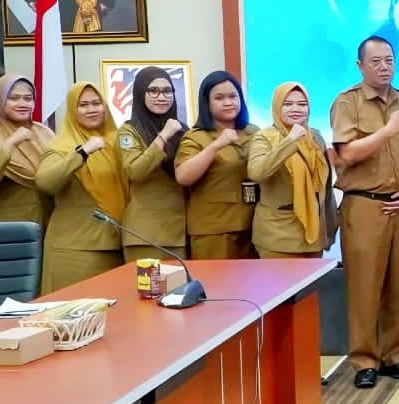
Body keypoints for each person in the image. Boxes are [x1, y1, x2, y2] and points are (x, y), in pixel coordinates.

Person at [332, 36, 399, 389]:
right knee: (364, 285)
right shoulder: (347, 102)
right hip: (364, 203)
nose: (384, 67)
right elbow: (349, 153)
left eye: (389, 61)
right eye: (376, 62)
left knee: (398, 284)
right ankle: (364, 360)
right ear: (360, 66)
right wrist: (389, 130)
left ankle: (393, 356)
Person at [35, 82, 127, 291]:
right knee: (75, 316)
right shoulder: (62, 146)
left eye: (97, 103)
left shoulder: (118, 142)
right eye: (83, 105)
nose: (92, 109)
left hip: (116, 246)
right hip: (75, 251)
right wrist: (82, 153)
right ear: (72, 111)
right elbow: (45, 182)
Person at [247, 82, 337, 259]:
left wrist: (331, 226)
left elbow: (324, 188)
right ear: (276, 106)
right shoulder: (265, 137)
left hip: (313, 235)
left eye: (302, 104)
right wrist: (290, 140)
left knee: (312, 287)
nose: (295, 109)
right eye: (287, 104)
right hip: (278, 235)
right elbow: (257, 172)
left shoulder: (315, 137)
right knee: (280, 287)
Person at [174, 71, 258, 260]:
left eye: (233, 96)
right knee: (218, 287)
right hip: (214, 229)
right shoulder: (196, 137)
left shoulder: (253, 132)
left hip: (253, 225)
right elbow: (183, 176)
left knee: (252, 287)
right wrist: (215, 146)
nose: (228, 102)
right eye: (219, 98)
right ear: (207, 102)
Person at [116, 67, 186, 262]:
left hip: (179, 232)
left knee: (180, 291)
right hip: (145, 235)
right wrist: (163, 136)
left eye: (167, 91)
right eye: (153, 91)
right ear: (140, 94)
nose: (161, 97)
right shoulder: (129, 131)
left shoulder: (182, 129)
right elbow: (136, 171)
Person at [0, 74, 53, 226]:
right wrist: (10, 144)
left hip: (47, 223)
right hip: (9, 228)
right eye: (14, 98)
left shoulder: (44, 132)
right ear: (0, 100)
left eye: (28, 98)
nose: (23, 103)